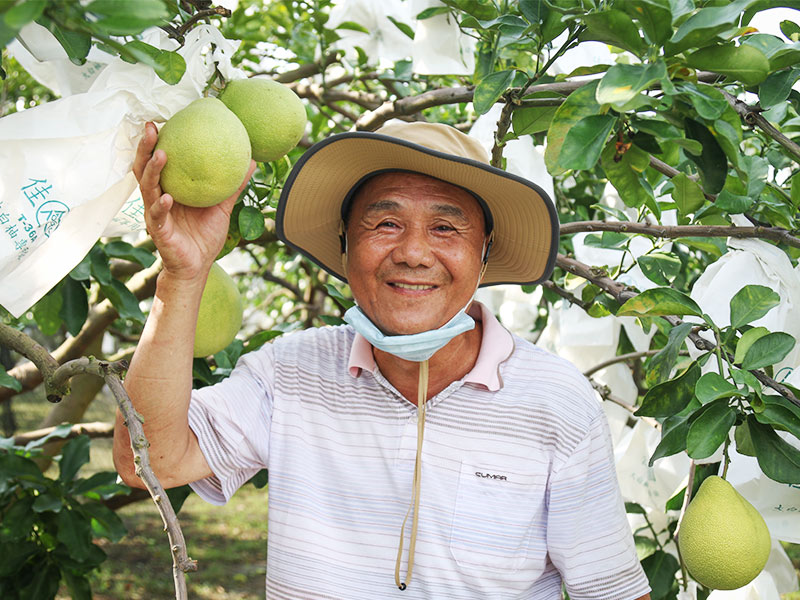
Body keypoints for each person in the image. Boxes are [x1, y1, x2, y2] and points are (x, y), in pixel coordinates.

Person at [114, 119, 652, 600]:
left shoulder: (555, 402)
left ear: (484, 252)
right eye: (386, 223)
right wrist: (182, 276)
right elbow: (150, 461)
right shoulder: (290, 373)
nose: (414, 252)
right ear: (345, 245)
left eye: (446, 227)